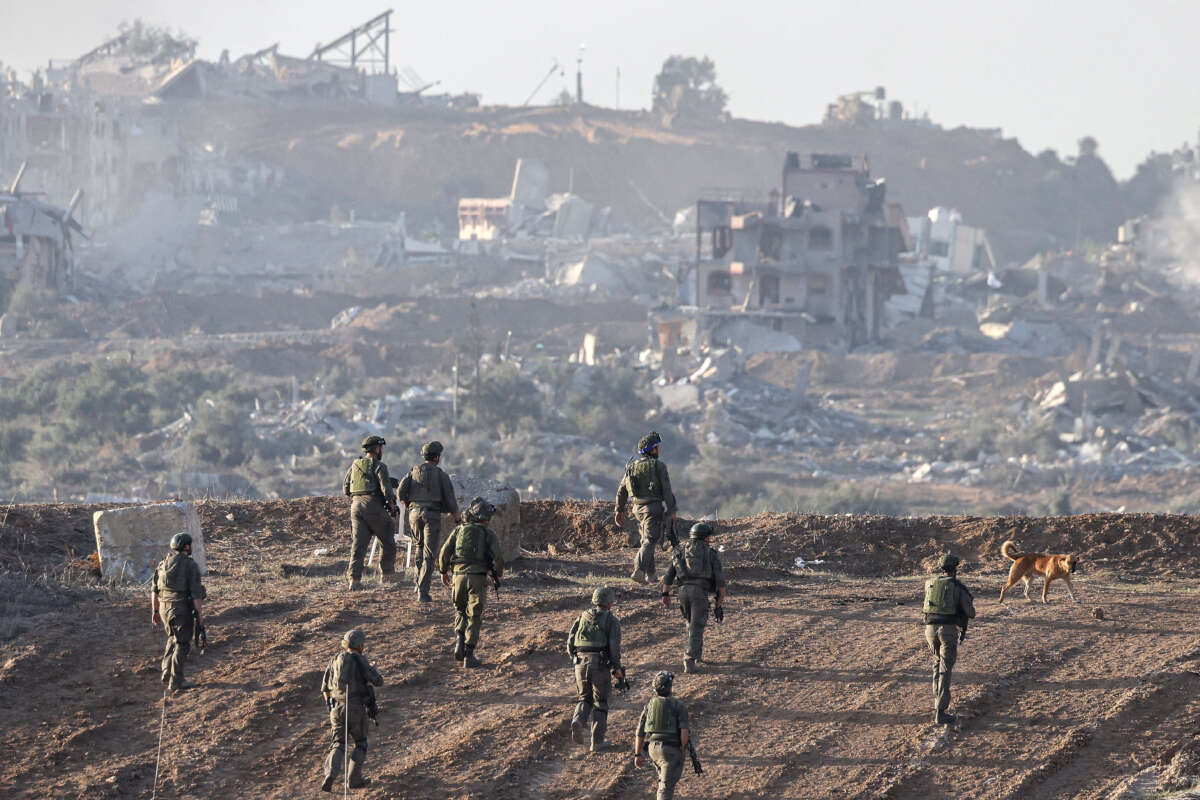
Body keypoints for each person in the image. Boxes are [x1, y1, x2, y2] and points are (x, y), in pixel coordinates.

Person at [438, 497, 504, 668]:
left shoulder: (459, 531)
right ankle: (469, 655)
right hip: (478, 578)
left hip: (458, 576)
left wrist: (443, 572)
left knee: (460, 610)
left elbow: (444, 552)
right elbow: (498, 557)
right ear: (486, 518)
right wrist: (498, 574)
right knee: (474, 615)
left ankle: (459, 642)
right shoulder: (488, 534)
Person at [320, 629, 384, 792]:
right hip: (355, 709)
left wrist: (330, 706)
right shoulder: (360, 660)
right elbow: (378, 681)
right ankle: (353, 781)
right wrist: (373, 668)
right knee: (361, 744)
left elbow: (325, 688)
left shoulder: (334, 659)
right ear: (360, 645)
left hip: (336, 708)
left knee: (338, 744)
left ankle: (330, 775)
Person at [397, 440, 461, 603]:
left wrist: (407, 503)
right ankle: (423, 592)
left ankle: (418, 583)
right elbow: (450, 499)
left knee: (419, 548)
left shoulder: (413, 471)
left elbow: (400, 491)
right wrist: (457, 518)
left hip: (413, 514)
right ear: (437, 457)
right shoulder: (441, 475)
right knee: (429, 554)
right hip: (431, 515)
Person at [661, 522, 726, 674]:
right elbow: (720, 581)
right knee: (697, 625)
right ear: (704, 538)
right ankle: (690, 659)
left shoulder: (680, 550)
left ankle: (697, 654)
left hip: (682, 591)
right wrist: (719, 602)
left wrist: (665, 594)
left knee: (691, 623)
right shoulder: (710, 554)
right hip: (699, 592)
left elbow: (669, 575)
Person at [567, 586, 627, 752]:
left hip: (579, 662)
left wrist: (576, 658)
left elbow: (570, 642)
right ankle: (597, 742)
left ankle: (578, 720)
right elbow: (614, 648)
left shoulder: (582, 617)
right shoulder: (611, 620)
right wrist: (617, 668)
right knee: (600, 703)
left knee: (584, 698)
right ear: (609, 603)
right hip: (599, 664)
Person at [615, 431, 677, 585]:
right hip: (653, 509)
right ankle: (639, 570)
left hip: (638, 509)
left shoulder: (632, 467)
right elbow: (667, 490)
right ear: (651, 449)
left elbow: (622, 490)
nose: (658, 450)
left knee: (647, 541)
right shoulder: (659, 466)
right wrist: (672, 509)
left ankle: (651, 575)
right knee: (650, 540)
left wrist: (619, 510)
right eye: (656, 447)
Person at [923, 553, 976, 725]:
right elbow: (971, 613)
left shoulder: (930, 583)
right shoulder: (957, 587)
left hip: (930, 630)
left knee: (937, 664)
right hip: (947, 631)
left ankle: (937, 702)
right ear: (955, 569)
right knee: (945, 669)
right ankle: (940, 711)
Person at [151, 532, 207, 693]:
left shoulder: (162, 564)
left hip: (163, 608)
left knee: (172, 637)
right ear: (187, 546)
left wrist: (154, 611)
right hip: (180, 609)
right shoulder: (190, 565)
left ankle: (167, 672)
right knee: (182, 644)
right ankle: (176, 682)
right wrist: (200, 618)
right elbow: (196, 595)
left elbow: (154, 591)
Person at [342, 435, 398, 591]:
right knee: (387, 540)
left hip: (355, 507)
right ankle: (387, 576)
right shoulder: (379, 466)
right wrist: (392, 506)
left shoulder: (354, 465)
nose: (382, 451)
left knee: (358, 545)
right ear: (377, 449)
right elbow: (387, 491)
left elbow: (346, 489)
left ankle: (354, 580)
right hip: (373, 506)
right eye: (381, 448)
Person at [634, 671, 690, 800]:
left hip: (653, 749)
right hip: (670, 750)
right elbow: (684, 731)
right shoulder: (678, 705)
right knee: (666, 787)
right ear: (670, 687)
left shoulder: (649, 706)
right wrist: (682, 749)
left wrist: (637, 754)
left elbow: (640, 732)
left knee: (663, 782)